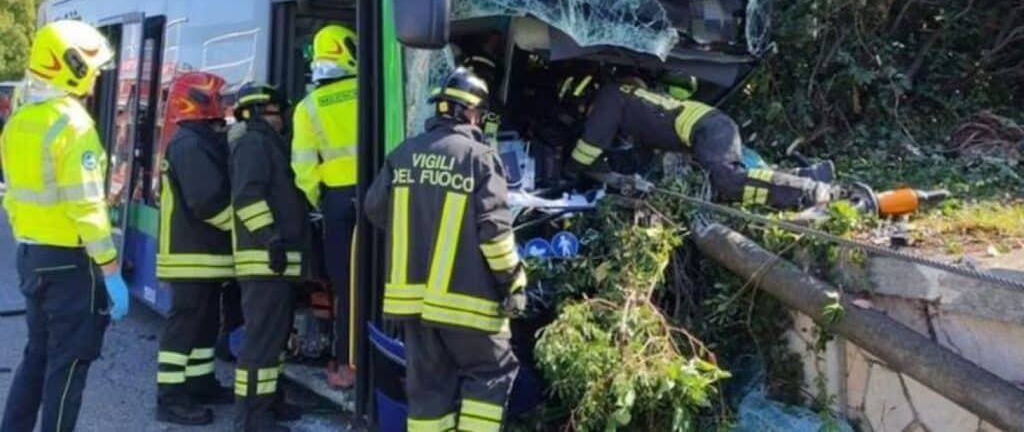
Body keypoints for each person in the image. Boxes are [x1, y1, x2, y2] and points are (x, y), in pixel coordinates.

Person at [365, 67, 526, 431]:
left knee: (429, 390)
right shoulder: (480, 158)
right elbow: (495, 233)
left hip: (412, 303)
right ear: (469, 113)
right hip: (467, 301)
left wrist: (419, 230)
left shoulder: (403, 153)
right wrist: (513, 282)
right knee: (491, 373)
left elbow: (375, 210)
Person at [0, 20, 129, 432]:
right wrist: (110, 270)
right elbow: (88, 207)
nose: (95, 78)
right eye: (92, 69)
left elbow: (15, 195)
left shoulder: (20, 121)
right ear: (73, 66)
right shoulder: (74, 125)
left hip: (31, 255)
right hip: (71, 264)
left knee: (37, 356)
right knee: (69, 366)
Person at [560, 76, 835, 210]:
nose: (589, 118)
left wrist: (569, 171)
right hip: (708, 125)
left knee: (728, 180)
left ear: (586, 102)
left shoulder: (609, 98)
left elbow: (591, 145)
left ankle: (809, 192)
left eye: (586, 114)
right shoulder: (629, 101)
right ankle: (806, 176)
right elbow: (643, 152)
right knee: (731, 180)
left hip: (706, 128)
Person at [155, 72, 235, 426]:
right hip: (191, 255)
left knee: (204, 324)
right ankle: (170, 397)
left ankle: (200, 383)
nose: (227, 105)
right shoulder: (190, 143)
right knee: (186, 325)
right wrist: (247, 228)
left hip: (204, 254)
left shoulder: (199, 139)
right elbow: (207, 202)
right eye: (220, 98)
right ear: (201, 102)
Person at [229, 82, 307, 432]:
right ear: (260, 112)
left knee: (274, 342)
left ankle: (270, 403)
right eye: (276, 112)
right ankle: (251, 418)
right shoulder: (253, 143)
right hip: (263, 261)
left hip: (276, 262)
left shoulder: (267, 142)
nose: (282, 119)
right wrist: (270, 239)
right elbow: (247, 198)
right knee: (259, 345)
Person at [290, 24, 358, 389]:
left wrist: (322, 199)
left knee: (345, 285)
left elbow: (303, 169)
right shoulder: (371, 90)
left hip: (335, 202)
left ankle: (347, 365)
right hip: (378, 196)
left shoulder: (307, 107)